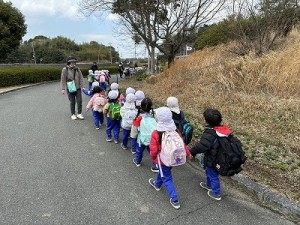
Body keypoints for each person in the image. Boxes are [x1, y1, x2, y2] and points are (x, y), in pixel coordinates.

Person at [148, 107, 192, 209]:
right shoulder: (176, 130)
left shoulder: (156, 133)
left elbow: (153, 150)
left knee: (167, 177)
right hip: (174, 158)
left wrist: (153, 157)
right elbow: (182, 144)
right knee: (164, 173)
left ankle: (174, 199)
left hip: (163, 160)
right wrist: (188, 153)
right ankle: (157, 184)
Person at [189, 108, 231, 201]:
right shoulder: (223, 130)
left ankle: (217, 193)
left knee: (213, 174)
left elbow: (202, 146)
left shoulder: (210, 133)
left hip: (213, 158)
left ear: (206, 120)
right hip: (219, 156)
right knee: (209, 171)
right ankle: (208, 185)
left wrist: (192, 152)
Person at [132, 97, 159, 173]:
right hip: (152, 139)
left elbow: (135, 127)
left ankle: (137, 161)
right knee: (153, 153)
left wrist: (134, 136)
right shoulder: (154, 115)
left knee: (139, 151)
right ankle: (155, 165)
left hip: (142, 139)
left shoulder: (139, 117)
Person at [60, 56, 84, 120]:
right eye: (71, 62)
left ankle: (79, 113)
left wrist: (82, 86)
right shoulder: (65, 69)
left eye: (74, 62)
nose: (73, 63)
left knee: (79, 101)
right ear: (68, 63)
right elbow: (63, 79)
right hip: (70, 88)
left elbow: (81, 78)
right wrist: (63, 89)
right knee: (72, 102)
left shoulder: (77, 69)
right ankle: (73, 114)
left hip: (78, 88)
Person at [130, 90, 145, 154]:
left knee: (133, 136)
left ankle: (133, 149)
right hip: (143, 122)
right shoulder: (145, 103)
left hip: (135, 123)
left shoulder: (133, 103)